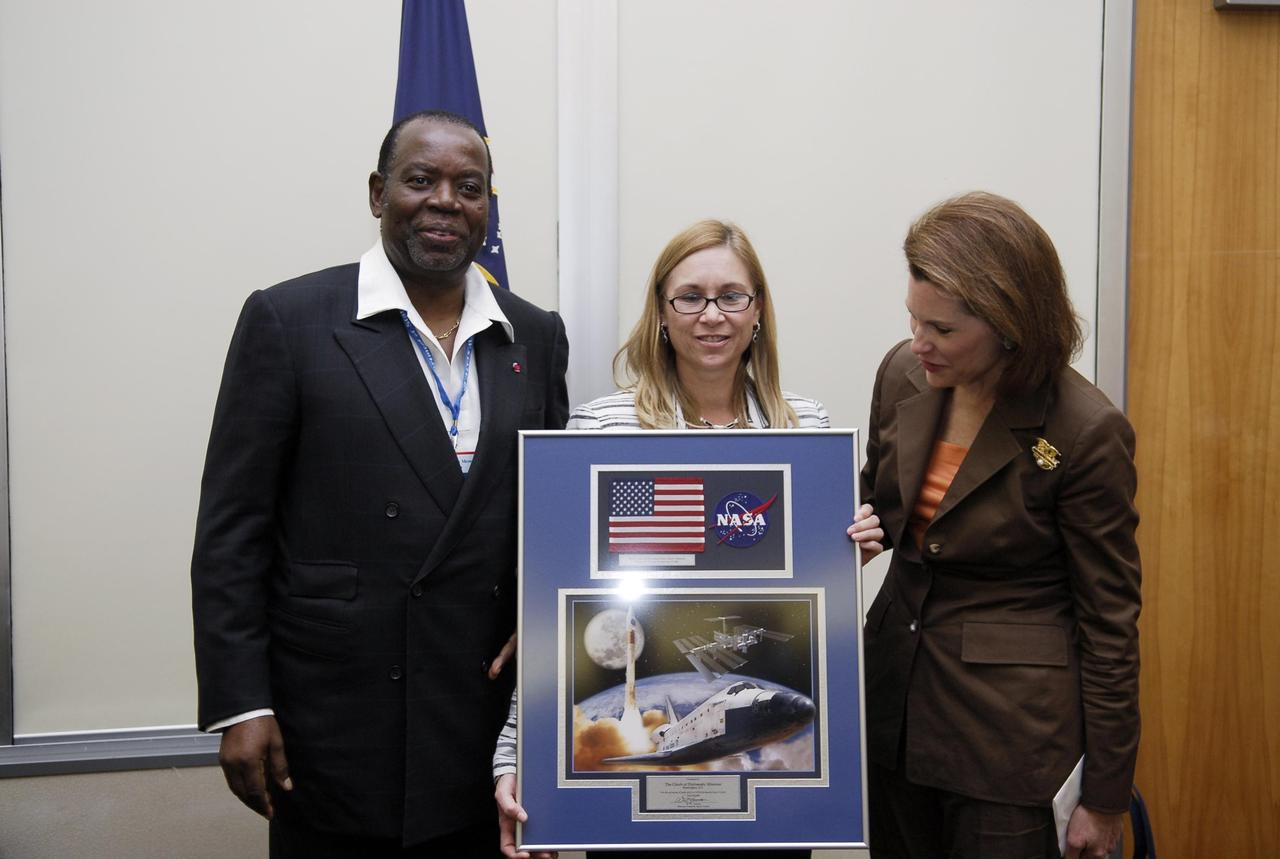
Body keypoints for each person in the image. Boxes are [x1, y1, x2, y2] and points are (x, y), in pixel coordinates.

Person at [191, 109, 569, 857]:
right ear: (377, 193)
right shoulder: (290, 319)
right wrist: (241, 701)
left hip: (481, 723)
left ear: (489, 205)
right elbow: (233, 531)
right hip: (334, 720)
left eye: (470, 186)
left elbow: (546, 517)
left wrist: (549, 613)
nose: (445, 202)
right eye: (420, 180)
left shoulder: (535, 334)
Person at [491, 219, 884, 859]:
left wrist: (844, 550)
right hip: (633, 816)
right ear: (661, 313)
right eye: (690, 297)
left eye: (732, 296)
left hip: (768, 812)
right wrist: (518, 758)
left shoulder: (805, 429)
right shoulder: (601, 427)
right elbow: (552, 612)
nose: (712, 316)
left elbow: (815, 610)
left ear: (758, 311)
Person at [860, 192, 1140, 859]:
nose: (919, 342)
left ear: (1010, 323)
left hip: (1009, 742)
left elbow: (1109, 623)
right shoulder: (904, 373)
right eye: (913, 318)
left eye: (944, 330)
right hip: (893, 709)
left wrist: (1104, 795)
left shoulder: (1085, 429)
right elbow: (877, 503)